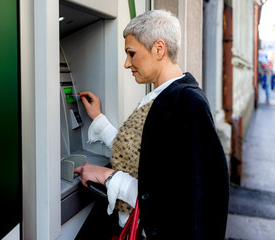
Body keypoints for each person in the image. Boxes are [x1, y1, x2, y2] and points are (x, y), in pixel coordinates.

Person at [74, 10, 229, 239]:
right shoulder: (164, 96)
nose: (127, 63)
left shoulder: (187, 103)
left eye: (131, 53)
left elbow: (176, 198)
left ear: (159, 49)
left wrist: (109, 176)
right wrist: (98, 119)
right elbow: (146, 159)